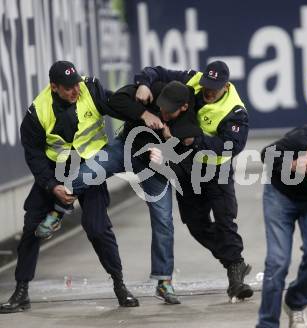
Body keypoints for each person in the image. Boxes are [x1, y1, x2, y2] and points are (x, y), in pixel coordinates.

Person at [39, 80, 202, 305]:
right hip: (126, 146)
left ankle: (164, 281)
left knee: (164, 220)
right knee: (87, 172)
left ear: (183, 108)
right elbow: (116, 100)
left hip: (155, 167)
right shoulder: (150, 91)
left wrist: (166, 143)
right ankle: (58, 211)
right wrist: (144, 112)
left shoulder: (190, 124)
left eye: (168, 112)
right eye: (161, 107)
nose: (163, 112)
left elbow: (185, 163)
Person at [0, 61, 139, 313]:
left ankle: (120, 285)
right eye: (68, 88)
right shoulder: (37, 113)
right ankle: (21, 292)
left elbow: (118, 105)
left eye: (76, 84)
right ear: (54, 87)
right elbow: (34, 156)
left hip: (90, 167)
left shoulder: (90, 90)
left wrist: (143, 113)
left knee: (98, 229)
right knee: (32, 226)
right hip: (56, 169)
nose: (75, 90)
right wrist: (52, 186)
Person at [134, 61, 254, 301]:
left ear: (226, 86)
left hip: (216, 172)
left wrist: (194, 141)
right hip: (188, 170)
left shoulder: (235, 111)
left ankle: (235, 279)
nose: (207, 92)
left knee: (225, 221)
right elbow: (156, 70)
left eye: (213, 89)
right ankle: (235, 261)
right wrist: (143, 84)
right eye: (205, 86)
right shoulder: (193, 80)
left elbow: (230, 147)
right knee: (195, 224)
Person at [256, 126, 307, 328]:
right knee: (277, 262)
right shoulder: (304, 136)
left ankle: (295, 303)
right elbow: (266, 154)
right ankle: (267, 324)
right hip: (280, 196)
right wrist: (291, 164)